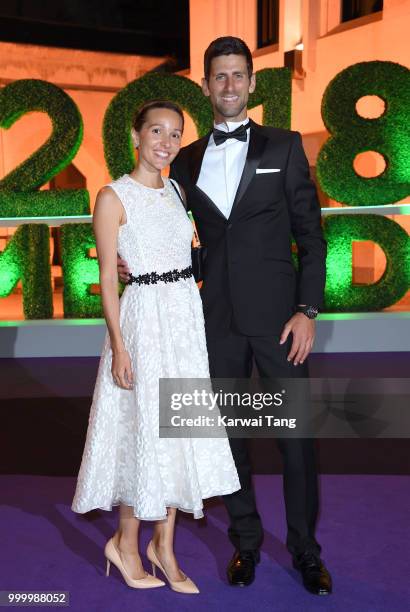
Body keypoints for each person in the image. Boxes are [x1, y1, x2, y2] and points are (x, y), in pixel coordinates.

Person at [119, 37, 332, 596]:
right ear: (207, 85)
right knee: (228, 440)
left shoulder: (284, 147)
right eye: (220, 77)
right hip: (212, 325)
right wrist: (132, 261)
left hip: (281, 323)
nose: (230, 86)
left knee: (295, 441)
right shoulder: (184, 161)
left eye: (239, 75)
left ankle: (307, 551)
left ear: (252, 83)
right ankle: (246, 544)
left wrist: (308, 310)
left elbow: (311, 237)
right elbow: (188, 241)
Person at [72, 99, 240, 595]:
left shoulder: (174, 188)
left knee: (178, 430)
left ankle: (162, 547)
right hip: (143, 321)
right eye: (156, 132)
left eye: (174, 134)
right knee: (144, 428)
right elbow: (107, 277)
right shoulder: (112, 196)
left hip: (184, 319)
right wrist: (120, 347)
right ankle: (127, 545)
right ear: (135, 135)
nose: (165, 142)